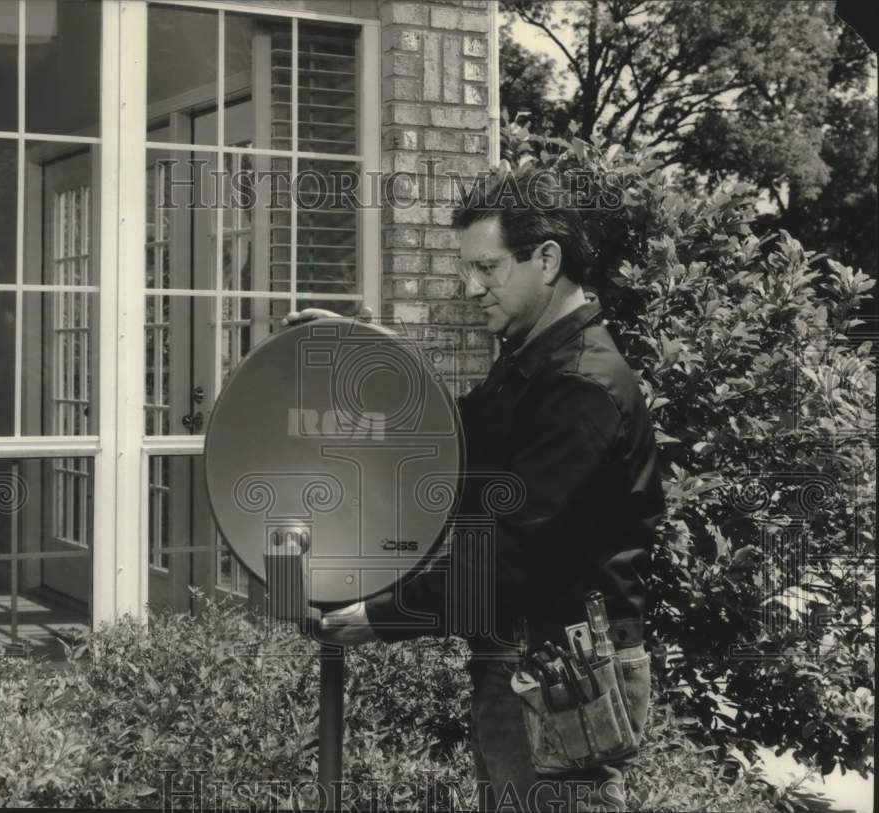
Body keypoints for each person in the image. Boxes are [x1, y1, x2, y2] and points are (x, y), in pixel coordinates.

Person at [283, 164, 665, 812]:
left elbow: (506, 560)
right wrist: (367, 349)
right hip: (525, 659)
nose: (471, 286)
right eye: (469, 269)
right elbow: (452, 438)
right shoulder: (533, 367)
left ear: (545, 260)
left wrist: (376, 618)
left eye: (487, 269)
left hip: (558, 669)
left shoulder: (581, 386)